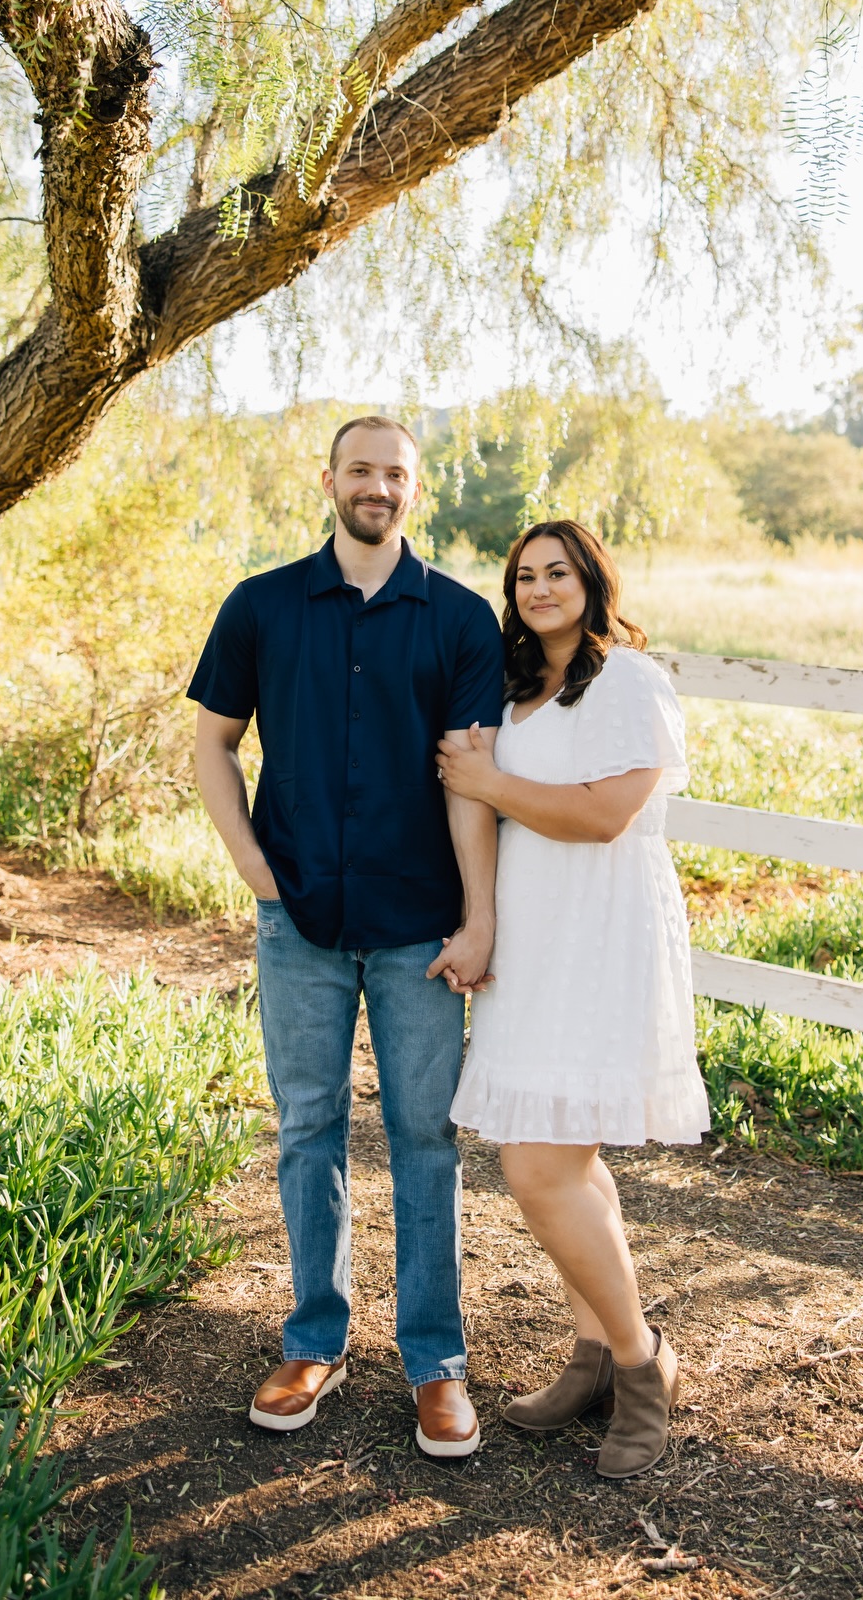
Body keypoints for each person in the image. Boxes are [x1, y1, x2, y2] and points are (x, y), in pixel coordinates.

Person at [191, 415, 504, 1459]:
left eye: (397, 473)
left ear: (418, 490)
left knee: (424, 1138)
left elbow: (470, 781)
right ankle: (313, 1339)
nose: (379, 486)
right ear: (329, 479)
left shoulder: (460, 621)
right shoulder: (262, 606)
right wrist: (253, 868)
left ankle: (436, 1363)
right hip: (303, 922)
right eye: (362, 469)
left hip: (418, 927)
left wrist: (475, 913)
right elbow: (214, 743)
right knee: (307, 1128)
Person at [437, 518, 710, 1479]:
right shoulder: (517, 688)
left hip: (603, 936)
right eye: (524, 575)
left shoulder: (630, 680)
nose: (540, 588)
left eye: (558, 572)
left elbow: (602, 817)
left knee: (539, 1168)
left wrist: (493, 783)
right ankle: (592, 1353)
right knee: (572, 1160)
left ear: (593, 579)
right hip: (536, 939)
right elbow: (473, 791)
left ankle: (643, 1366)